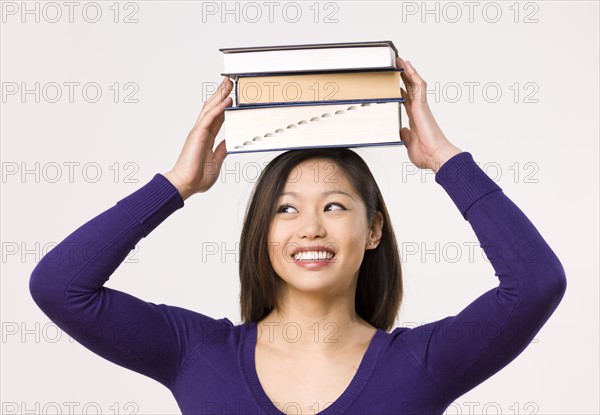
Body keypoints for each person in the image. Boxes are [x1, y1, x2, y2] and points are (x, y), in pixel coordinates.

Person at [29, 57, 567, 415]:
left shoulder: (424, 363)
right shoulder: (196, 352)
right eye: (286, 209)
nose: (311, 227)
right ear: (262, 232)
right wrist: (176, 185)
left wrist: (444, 160)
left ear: (373, 229)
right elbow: (60, 286)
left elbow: (535, 281)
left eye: (335, 206)